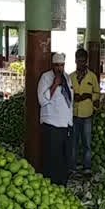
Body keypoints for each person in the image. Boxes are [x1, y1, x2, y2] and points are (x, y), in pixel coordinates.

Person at [37, 52, 73, 185]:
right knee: (52, 157)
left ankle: (62, 184)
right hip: (52, 124)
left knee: (64, 157)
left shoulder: (67, 78)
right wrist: (54, 85)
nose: (59, 68)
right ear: (53, 65)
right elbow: (42, 100)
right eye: (57, 65)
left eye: (62, 65)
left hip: (66, 124)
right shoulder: (45, 78)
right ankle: (51, 184)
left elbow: (69, 100)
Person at [70, 48, 100, 175]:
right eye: (79, 61)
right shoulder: (70, 77)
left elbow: (97, 94)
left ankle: (87, 167)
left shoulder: (92, 77)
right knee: (74, 142)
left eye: (83, 61)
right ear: (75, 61)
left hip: (87, 114)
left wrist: (88, 96)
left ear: (86, 61)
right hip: (74, 114)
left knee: (87, 142)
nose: (81, 63)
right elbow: (66, 94)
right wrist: (74, 96)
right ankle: (73, 166)